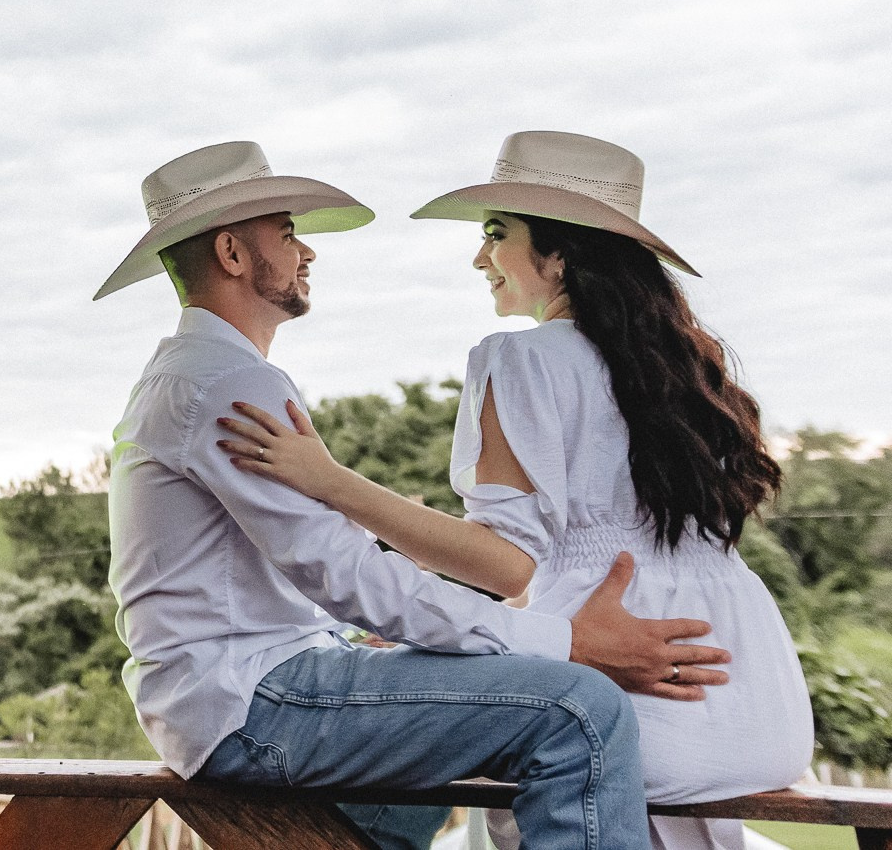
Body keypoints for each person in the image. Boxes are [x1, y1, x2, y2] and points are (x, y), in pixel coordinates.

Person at [98, 140, 735, 850]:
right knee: (581, 710)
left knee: (436, 737)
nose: (307, 252)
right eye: (287, 233)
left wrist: (380, 635)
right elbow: (346, 572)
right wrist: (566, 642)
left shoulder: (200, 374)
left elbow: (281, 573)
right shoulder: (226, 384)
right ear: (232, 253)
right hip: (252, 702)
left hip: (234, 690)